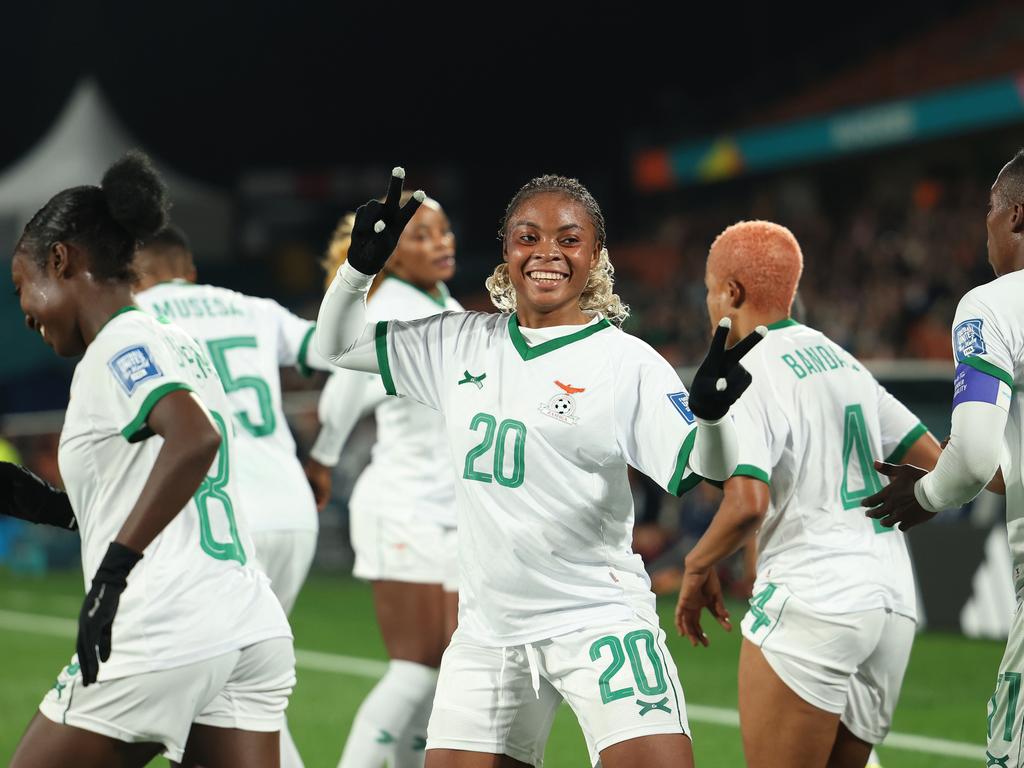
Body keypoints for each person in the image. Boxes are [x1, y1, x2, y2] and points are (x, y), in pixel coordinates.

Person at [315, 168, 762, 768]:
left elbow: (709, 471)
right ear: (505, 251)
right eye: (528, 237)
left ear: (596, 254)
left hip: (596, 620)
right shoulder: (457, 341)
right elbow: (335, 347)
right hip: (487, 633)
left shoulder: (626, 361)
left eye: (568, 239)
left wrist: (711, 418)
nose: (546, 252)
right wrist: (358, 270)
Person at [4, 151, 294, 768]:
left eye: (21, 285)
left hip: (164, 623)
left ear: (60, 260)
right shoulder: (176, 341)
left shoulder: (119, 343)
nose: (23, 308)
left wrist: (111, 572)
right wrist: (58, 509)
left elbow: (195, 440)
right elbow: (168, 477)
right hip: (247, 622)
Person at [674, 220, 941, 768]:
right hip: (889, 604)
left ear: (732, 292)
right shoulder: (841, 360)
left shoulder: (745, 365)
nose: (707, 301)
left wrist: (697, 565)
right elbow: (936, 461)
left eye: (708, 288)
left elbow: (748, 502)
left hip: (815, 597)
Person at [133, 224, 333, 768]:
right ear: (190, 269)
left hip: (215, 515)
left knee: (204, 691)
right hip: (291, 510)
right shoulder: (254, 308)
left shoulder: (132, 319)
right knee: (241, 694)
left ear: (132, 275)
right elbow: (332, 348)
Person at [864, 150, 1024, 767]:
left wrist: (927, 492)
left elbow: (975, 457)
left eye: (988, 208)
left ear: (1016, 216)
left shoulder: (993, 305)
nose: (982, 225)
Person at [304, 196, 463, 768]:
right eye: (421, 236)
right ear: (391, 256)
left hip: (444, 508)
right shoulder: (390, 304)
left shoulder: (438, 299)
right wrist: (320, 460)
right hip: (404, 504)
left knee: (444, 667)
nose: (441, 243)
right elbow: (339, 392)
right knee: (416, 667)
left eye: (443, 231)